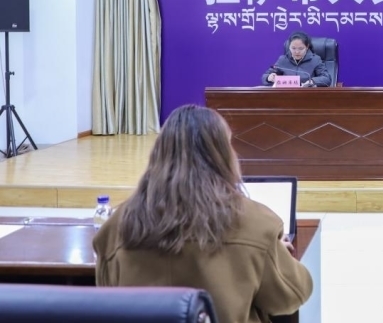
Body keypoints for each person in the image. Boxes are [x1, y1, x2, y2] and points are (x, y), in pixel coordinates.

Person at [93, 105, 314, 323]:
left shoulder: (117, 225)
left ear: (160, 153)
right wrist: (270, 253)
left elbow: (108, 297)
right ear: (223, 155)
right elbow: (292, 296)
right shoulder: (256, 224)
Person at [262, 31, 331, 87]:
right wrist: (269, 77)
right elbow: (265, 76)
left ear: (307, 47)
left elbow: (326, 78)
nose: (297, 52)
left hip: (307, 96)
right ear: (289, 47)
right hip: (285, 96)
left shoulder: (315, 60)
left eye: (301, 48)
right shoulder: (283, 60)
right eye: (293, 48)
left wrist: (312, 81)